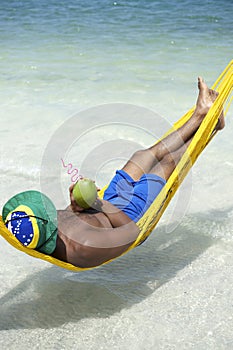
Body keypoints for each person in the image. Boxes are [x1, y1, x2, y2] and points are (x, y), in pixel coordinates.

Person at [2, 77, 225, 268]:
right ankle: (212, 125)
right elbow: (131, 234)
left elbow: (76, 217)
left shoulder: (43, 221)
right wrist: (97, 204)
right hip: (131, 214)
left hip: (106, 201)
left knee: (142, 155)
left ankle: (200, 114)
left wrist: (76, 204)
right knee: (170, 161)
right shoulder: (83, 248)